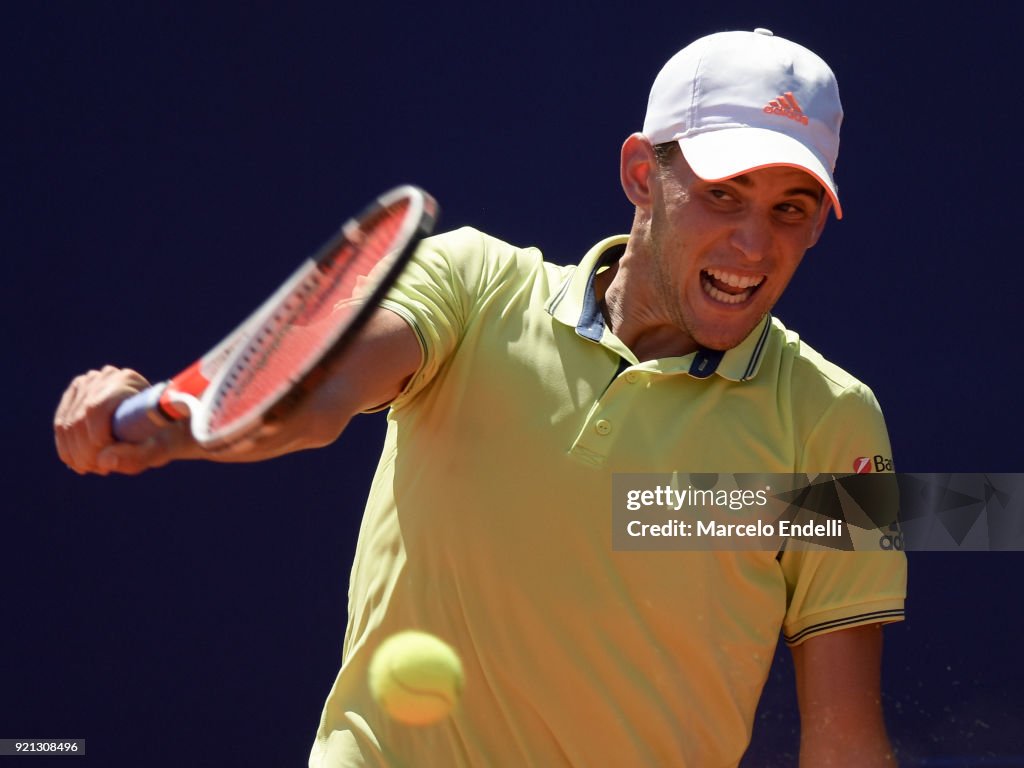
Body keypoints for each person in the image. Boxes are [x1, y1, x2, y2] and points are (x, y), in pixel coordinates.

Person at [55, 28, 906, 767]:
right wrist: (176, 428)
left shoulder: (836, 421)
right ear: (642, 174)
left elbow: (844, 740)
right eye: (723, 194)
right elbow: (313, 401)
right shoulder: (469, 284)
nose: (755, 244)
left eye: (793, 209)